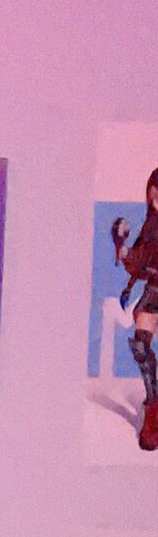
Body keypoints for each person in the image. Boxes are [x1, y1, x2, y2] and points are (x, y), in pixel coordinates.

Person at [110, 166, 158, 451]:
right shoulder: (152, 226)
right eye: (154, 195)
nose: (157, 201)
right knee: (140, 344)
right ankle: (154, 406)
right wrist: (122, 246)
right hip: (155, 291)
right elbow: (138, 262)